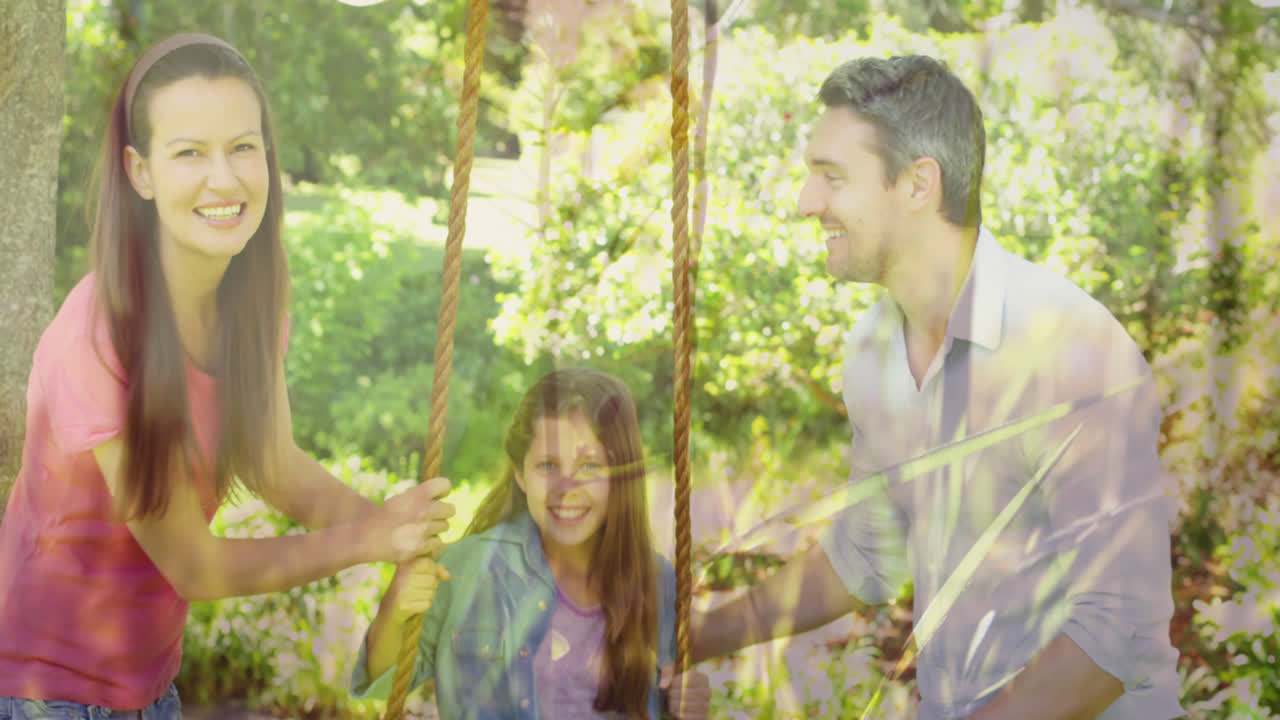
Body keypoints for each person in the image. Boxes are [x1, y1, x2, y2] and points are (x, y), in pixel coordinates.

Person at [688, 55, 1186, 719]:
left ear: (918, 184)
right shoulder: (872, 348)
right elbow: (867, 551)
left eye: (831, 177)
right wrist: (692, 636)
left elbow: (1115, 636)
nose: (806, 204)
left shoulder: (1071, 350)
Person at [0, 33, 454, 719]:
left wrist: (397, 534)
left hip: (151, 689)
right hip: (45, 696)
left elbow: (272, 462)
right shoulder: (98, 334)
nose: (225, 178)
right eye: (189, 153)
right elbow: (194, 566)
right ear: (140, 171)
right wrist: (369, 539)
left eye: (243, 146)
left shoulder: (249, 301)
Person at [352, 368, 711, 719]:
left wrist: (686, 702)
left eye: (589, 466)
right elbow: (385, 679)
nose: (566, 489)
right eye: (548, 465)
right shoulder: (467, 568)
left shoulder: (655, 581)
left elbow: (665, 693)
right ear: (521, 473)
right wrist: (394, 611)